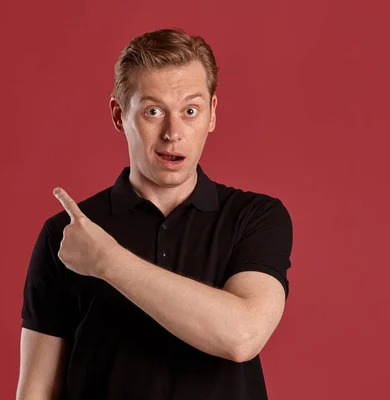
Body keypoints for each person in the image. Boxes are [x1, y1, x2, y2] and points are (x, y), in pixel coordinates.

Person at [16, 28, 293, 400]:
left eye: (190, 111)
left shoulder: (255, 217)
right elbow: (36, 391)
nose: (173, 133)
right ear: (119, 115)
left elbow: (242, 336)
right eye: (153, 111)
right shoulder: (67, 234)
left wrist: (106, 261)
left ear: (211, 114)